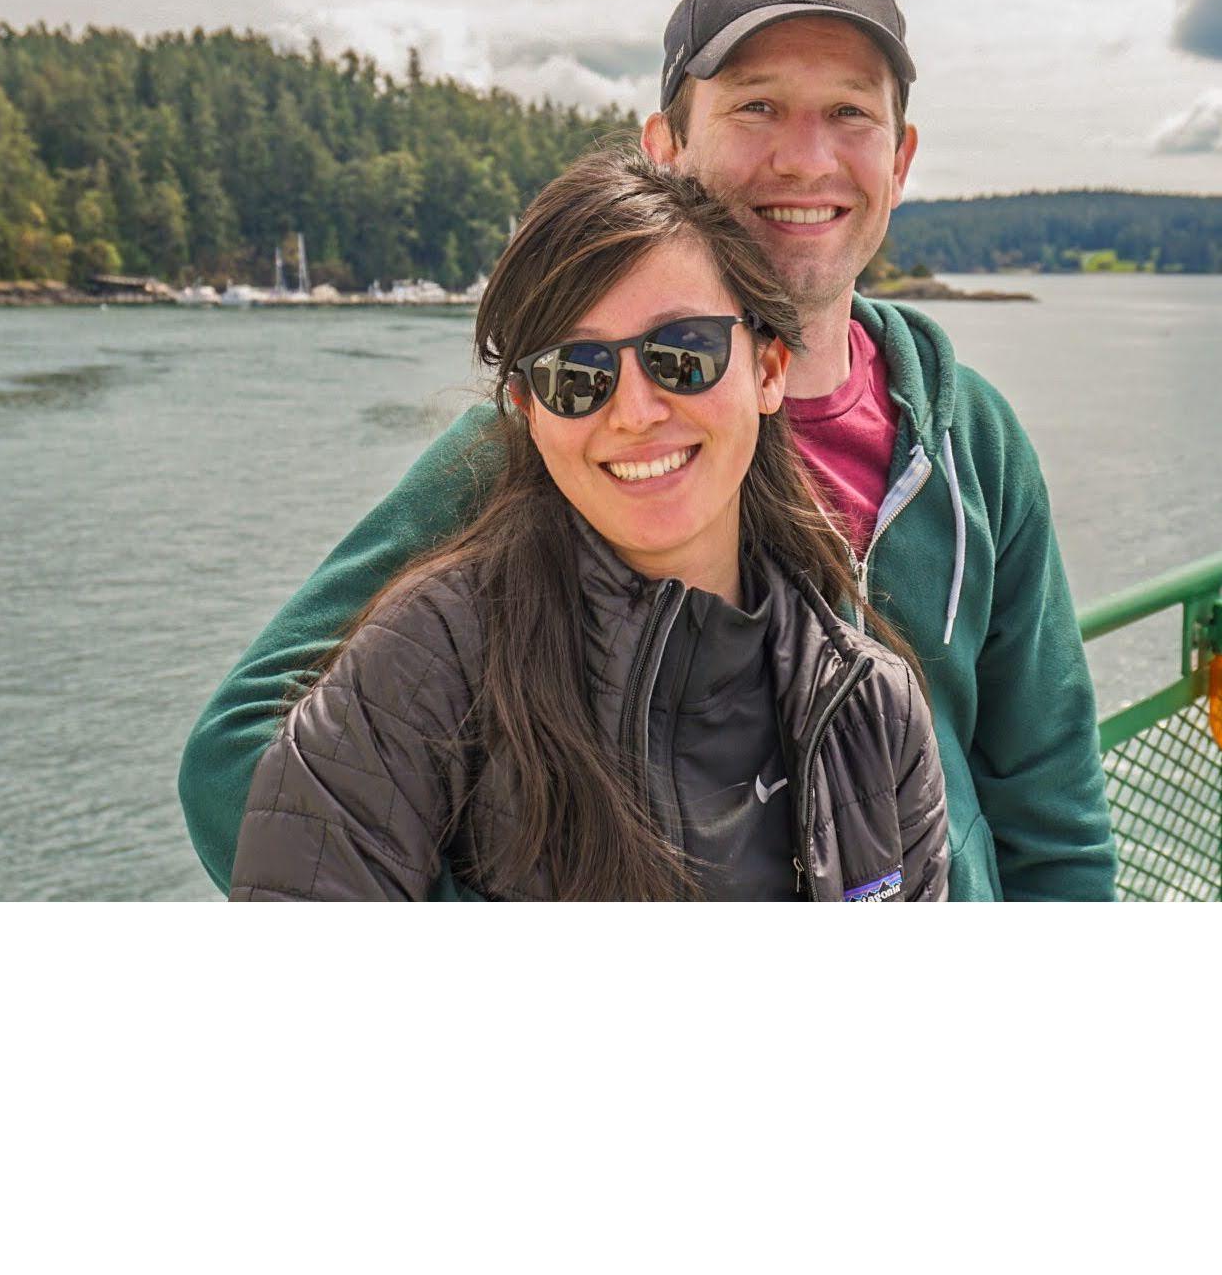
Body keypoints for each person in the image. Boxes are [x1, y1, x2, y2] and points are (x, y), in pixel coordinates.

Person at [182, 0, 1117, 901]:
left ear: (902, 157)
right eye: (757, 107)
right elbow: (238, 754)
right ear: (665, 150)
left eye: (848, 113)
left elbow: (1052, 815)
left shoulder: (972, 436)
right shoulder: (552, 441)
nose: (806, 159)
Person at [229, 146, 947, 901]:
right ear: (530, 413)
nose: (635, 413)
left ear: (767, 372)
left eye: (684, 353)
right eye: (579, 375)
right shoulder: (426, 668)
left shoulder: (874, 708)